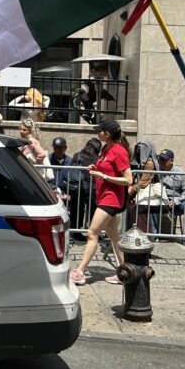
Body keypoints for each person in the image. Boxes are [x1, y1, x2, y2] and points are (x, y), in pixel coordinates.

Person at [69, 120, 131, 286]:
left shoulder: (119, 151)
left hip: (111, 199)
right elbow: (104, 169)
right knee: (115, 237)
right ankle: (126, 272)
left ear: (107, 134)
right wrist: (95, 170)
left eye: (100, 130)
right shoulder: (105, 148)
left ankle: (80, 272)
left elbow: (128, 179)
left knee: (92, 233)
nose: (97, 132)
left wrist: (104, 177)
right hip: (103, 197)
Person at [158, 149, 185, 248]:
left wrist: (176, 201)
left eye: (164, 160)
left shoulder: (179, 172)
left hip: (176, 202)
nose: (161, 162)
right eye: (160, 159)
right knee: (149, 206)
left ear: (171, 161)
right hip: (160, 200)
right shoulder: (156, 170)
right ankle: (153, 235)